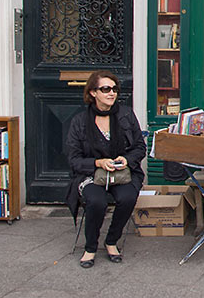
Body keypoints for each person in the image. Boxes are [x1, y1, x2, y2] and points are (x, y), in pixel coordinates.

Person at [65, 70, 147, 268]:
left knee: (127, 197)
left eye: (114, 89)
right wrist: (98, 163)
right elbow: (74, 159)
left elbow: (140, 147)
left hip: (122, 173)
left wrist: (126, 160)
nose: (112, 93)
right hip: (91, 174)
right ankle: (90, 247)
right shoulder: (79, 122)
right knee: (96, 201)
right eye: (106, 89)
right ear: (93, 93)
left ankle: (111, 241)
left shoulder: (126, 115)